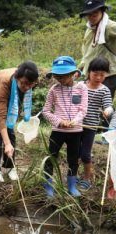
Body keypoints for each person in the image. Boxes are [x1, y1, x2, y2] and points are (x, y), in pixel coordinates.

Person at [0, 61, 39, 182]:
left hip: (7, 103)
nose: (27, 87)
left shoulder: (32, 81)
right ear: (17, 78)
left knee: (10, 133)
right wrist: (6, 143)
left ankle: (10, 166)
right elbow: (1, 116)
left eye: (30, 84)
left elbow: (18, 98)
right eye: (24, 83)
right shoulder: (5, 82)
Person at [42, 56, 88, 198]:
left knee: (73, 159)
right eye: (57, 76)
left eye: (65, 76)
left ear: (74, 73)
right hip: (58, 131)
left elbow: (83, 110)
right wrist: (59, 121)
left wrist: (74, 121)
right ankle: (48, 186)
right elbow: (45, 111)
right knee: (51, 158)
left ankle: (72, 186)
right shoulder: (53, 90)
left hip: (75, 131)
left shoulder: (82, 88)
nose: (61, 79)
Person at [78, 0, 116, 145]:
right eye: (89, 14)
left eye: (95, 13)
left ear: (102, 12)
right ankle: (100, 134)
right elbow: (88, 52)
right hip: (92, 71)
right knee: (95, 104)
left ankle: (108, 137)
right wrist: (80, 67)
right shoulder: (90, 28)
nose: (92, 16)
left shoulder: (109, 27)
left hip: (109, 73)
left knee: (106, 103)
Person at [77, 56, 114, 193]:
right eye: (95, 74)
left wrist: (107, 111)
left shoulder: (104, 90)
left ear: (106, 75)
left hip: (90, 127)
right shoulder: (80, 86)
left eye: (102, 75)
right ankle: (73, 176)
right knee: (74, 152)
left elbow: (109, 106)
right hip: (76, 125)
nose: (98, 77)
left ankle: (87, 179)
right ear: (89, 72)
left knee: (86, 154)